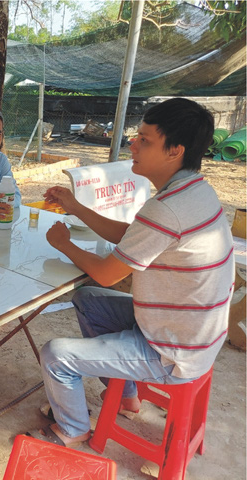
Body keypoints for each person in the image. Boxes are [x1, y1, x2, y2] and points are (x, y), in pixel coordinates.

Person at [38, 98, 234, 447]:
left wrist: (63, 244)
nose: (133, 143)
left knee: (56, 354)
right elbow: (134, 236)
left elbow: (107, 274)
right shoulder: (193, 191)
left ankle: (72, 429)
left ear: (174, 151)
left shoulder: (167, 208)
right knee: (86, 299)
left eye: (145, 139)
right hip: (191, 333)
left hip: (172, 351)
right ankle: (127, 396)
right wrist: (75, 206)